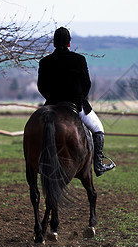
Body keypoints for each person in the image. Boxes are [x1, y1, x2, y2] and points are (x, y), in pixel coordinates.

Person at [37, 26, 116, 177]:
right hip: (75, 105)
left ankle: (39, 161)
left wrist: (52, 99)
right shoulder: (79, 60)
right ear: (69, 43)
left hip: (52, 105)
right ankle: (98, 165)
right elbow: (87, 84)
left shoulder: (45, 62)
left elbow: (41, 87)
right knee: (98, 129)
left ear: (54, 43)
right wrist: (79, 99)